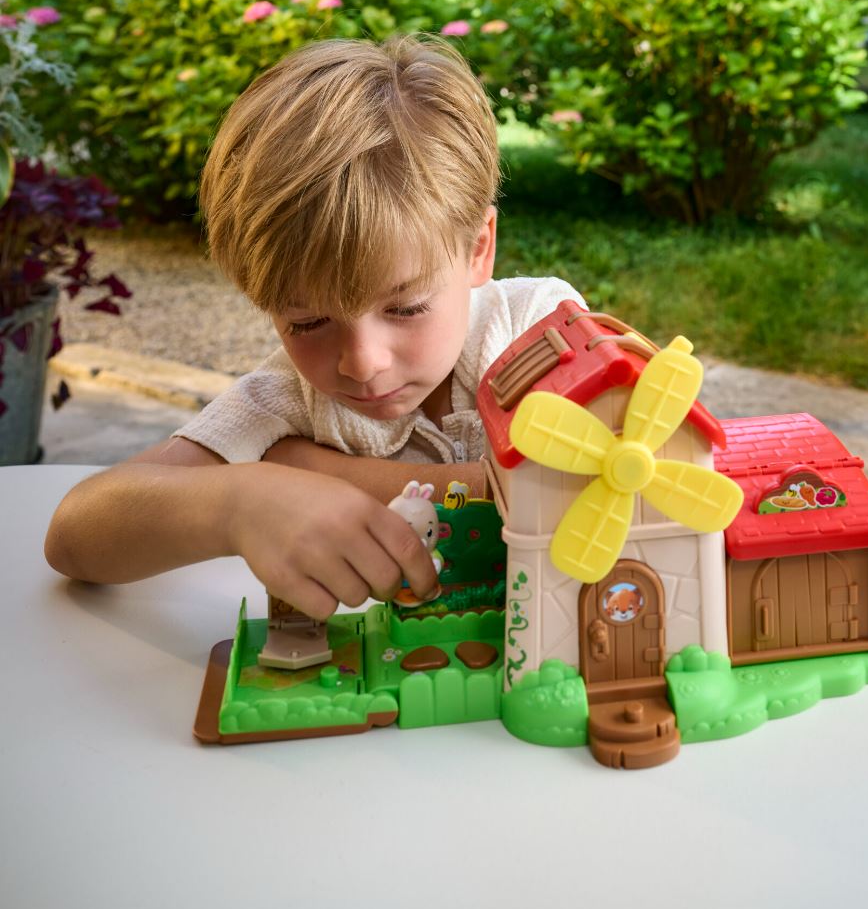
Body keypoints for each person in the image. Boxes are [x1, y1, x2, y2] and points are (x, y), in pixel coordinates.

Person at [45, 34, 583, 644]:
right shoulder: (283, 400)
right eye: (305, 323)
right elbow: (72, 535)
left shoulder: (541, 328)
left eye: (405, 307)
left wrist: (320, 472)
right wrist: (237, 502)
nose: (362, 363)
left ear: (478, 248)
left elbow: (590, 489)